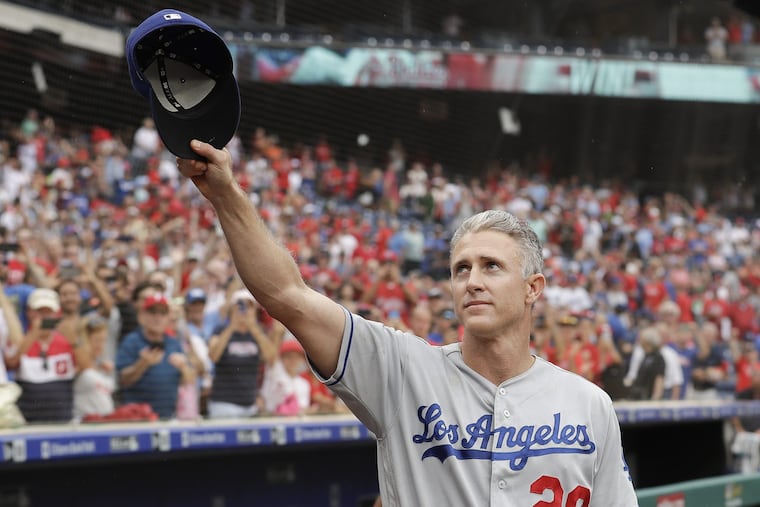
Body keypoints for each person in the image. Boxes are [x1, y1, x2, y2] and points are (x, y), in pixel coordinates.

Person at [177, 141, 637, 505]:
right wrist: (225, 193)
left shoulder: (589, 405)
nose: (472, 281)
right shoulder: (402, 370)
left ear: (533, 288)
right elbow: (288, 296)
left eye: (491, 267)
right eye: (461, 269)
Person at [115, 293, 195, 419]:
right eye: (153, 312)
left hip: (168, 416)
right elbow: (123, 379)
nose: (158, 318)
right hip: (137, 418)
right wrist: (143, 363)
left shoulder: (173, 343)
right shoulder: (131, 341)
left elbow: (189, 380)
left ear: (168, 318)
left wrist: (184, 367)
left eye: (162, 313)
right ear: (142, 316)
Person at [206, 289, 277, 418]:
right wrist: (232, 326)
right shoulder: (220, 330)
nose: (244, 311)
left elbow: (271, 358)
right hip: (223, 404)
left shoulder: (258, 333)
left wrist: (253, 327)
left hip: (249, 405)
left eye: (249, 307)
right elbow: (213, 356)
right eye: (240, 306)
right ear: (232, 309)